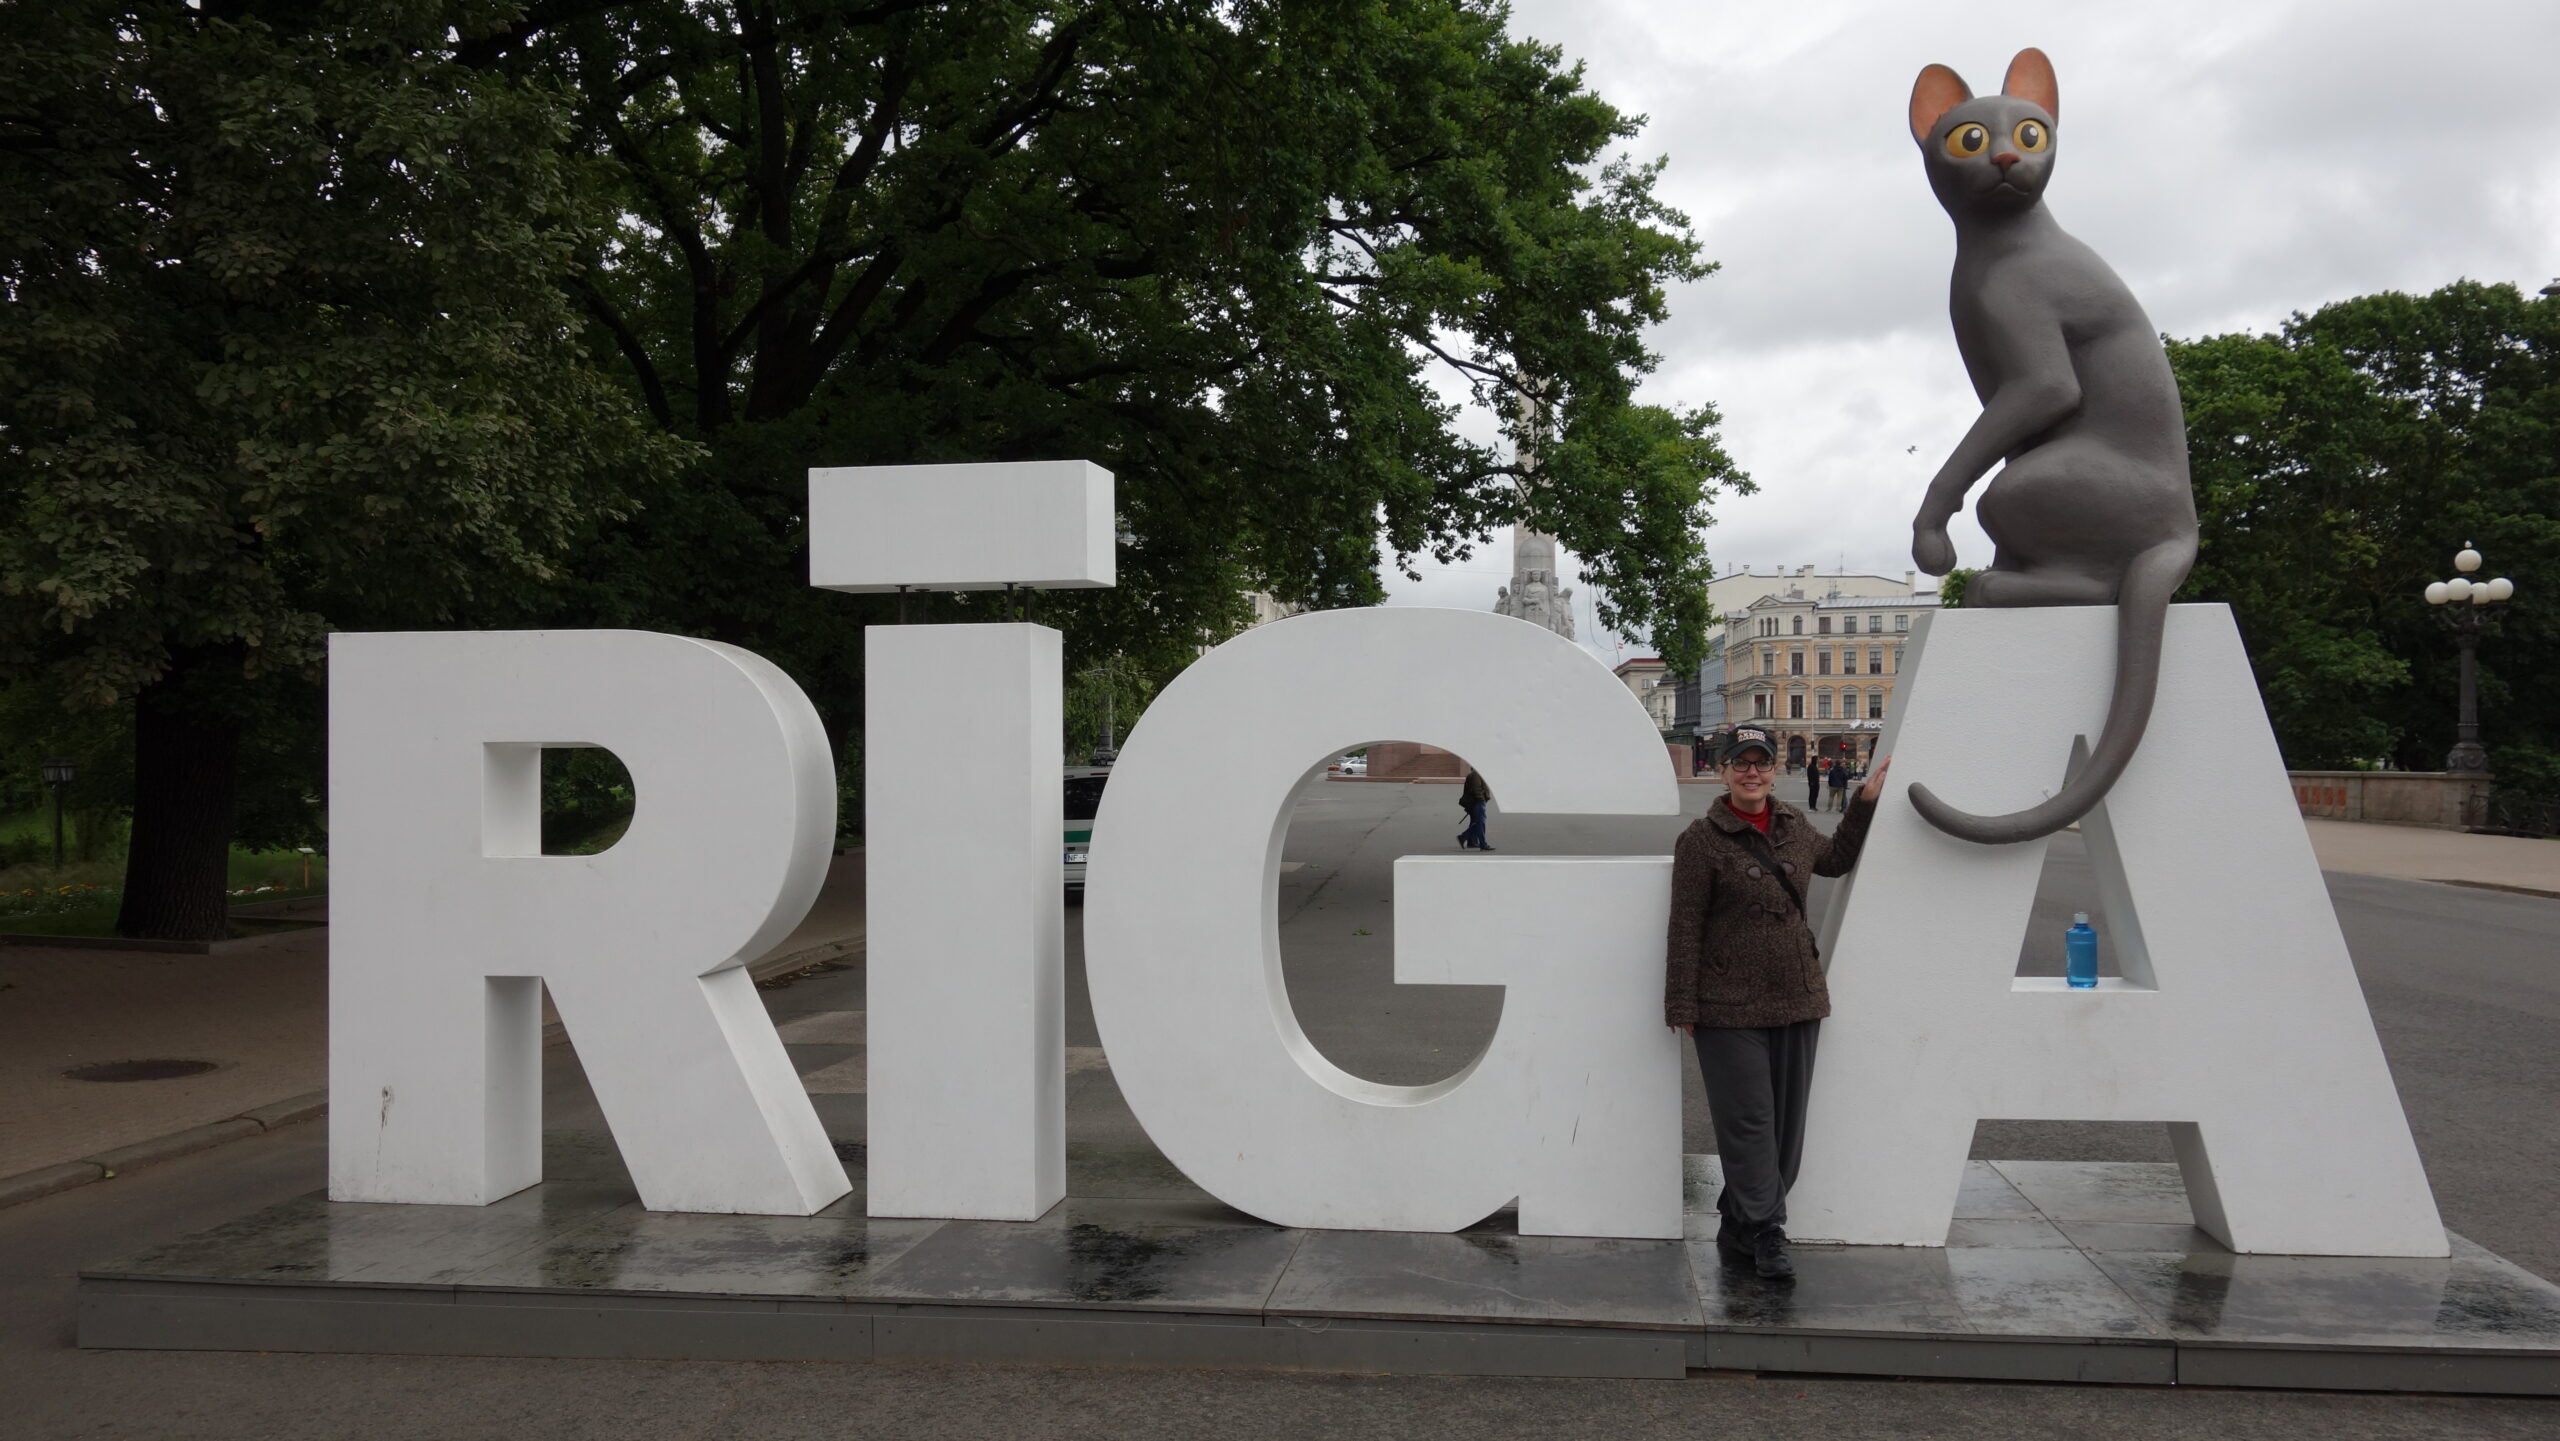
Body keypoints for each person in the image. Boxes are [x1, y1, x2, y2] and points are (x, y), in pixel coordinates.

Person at [1666, 723, 1890, 1281]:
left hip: (1796, 994)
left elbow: (1835, 859)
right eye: (1741, 762)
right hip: (1727, 1003)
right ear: (1723, 771)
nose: (1752, 772)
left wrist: (1865, 802)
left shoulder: (1793, 825)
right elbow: (1686, 924)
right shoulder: (1701, 839)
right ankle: (1768, 1230)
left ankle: (1739, 1221)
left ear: (1773, 770)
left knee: (1787, 1129)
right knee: (1749, 1121)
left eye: (1761, 762)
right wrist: (1683, 1004)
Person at [1457, 767, 1495, 852]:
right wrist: (1481, 799)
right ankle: (1482, 844)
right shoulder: (1476, 774)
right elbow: (1476, 788)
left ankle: (1471, 841)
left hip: (1475, 802)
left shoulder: (1474, 774)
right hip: (1478, 802)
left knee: (1476, 822)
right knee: (1480, 823)